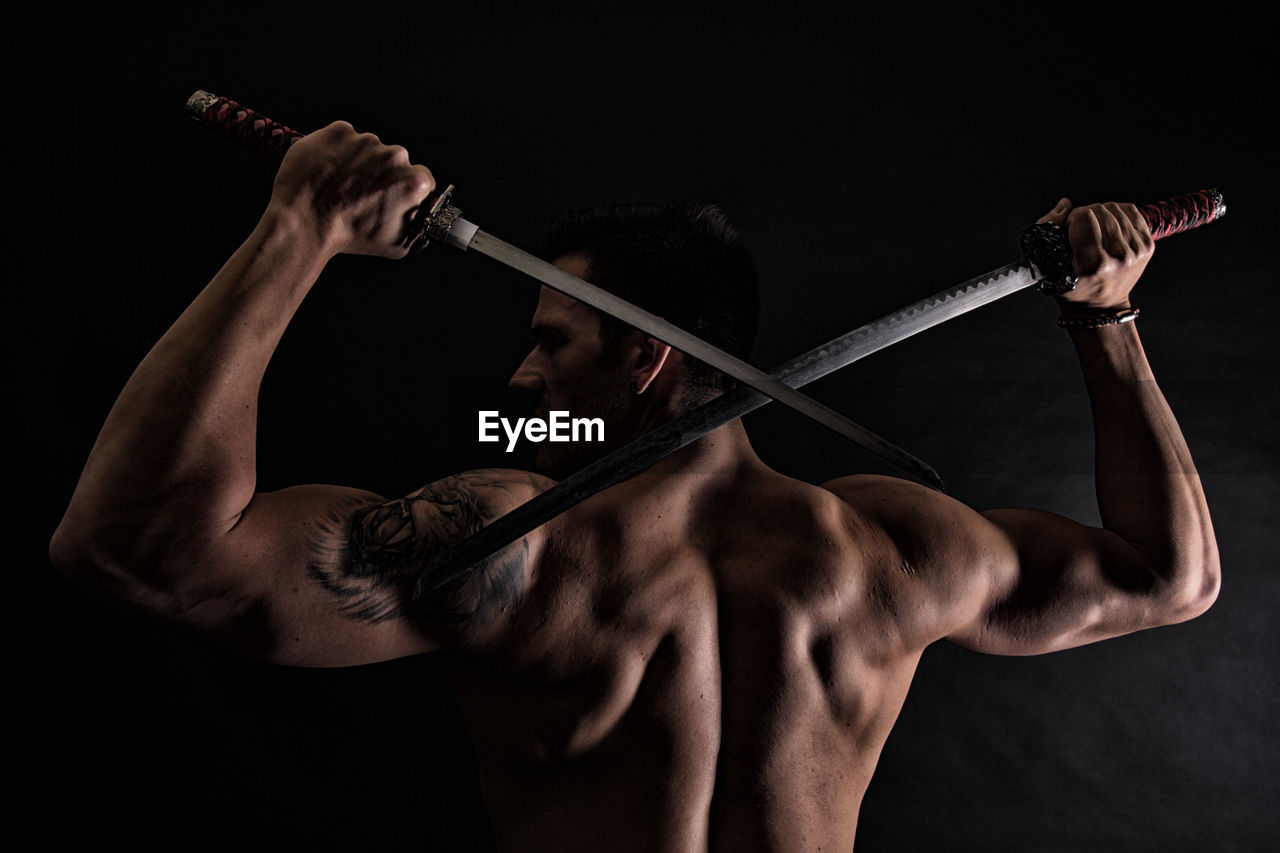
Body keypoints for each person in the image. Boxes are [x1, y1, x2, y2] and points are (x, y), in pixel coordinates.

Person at [50, 121, 1220, 851]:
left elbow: (133, 549)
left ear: (643, 352)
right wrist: (1105, 320)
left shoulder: (509, 538)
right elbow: (1171, 576)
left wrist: (297, 229)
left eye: (551, 342)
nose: (518, 373)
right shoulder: (890, 546)